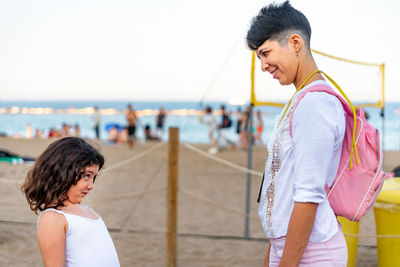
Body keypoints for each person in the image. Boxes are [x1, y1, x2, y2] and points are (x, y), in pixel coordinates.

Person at [247, 2, 347, 266]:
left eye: (266, 53)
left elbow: (308, 195)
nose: (263, 66)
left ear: (295, 42)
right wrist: (274, 255)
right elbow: (282, 191)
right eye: (259, 57)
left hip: (314, 254)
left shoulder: (316, 104)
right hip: (289, 247)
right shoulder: (300, 100)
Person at [21, 137, 120, 266]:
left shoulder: (86, 210)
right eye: (86, 176)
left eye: (93, 177)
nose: (91, 185)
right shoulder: (53, 218)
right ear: (62, 172)